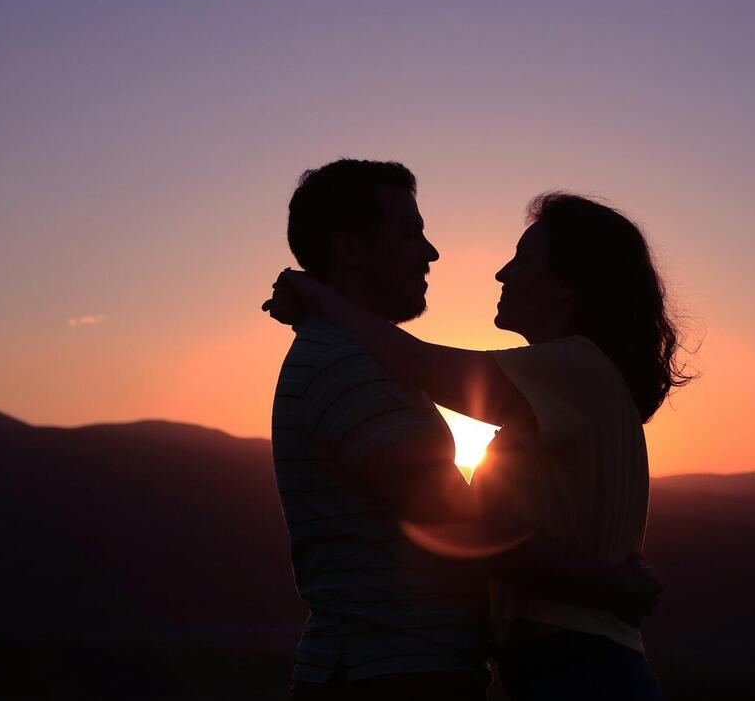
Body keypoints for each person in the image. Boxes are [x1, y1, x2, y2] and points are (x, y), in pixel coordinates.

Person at [267, 189, 690, 700]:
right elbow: (466, 519)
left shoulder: (577, 369)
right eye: (410, 233)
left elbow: (424, 366)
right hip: (561, 667)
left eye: (523, 258)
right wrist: (602, 580)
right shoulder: (569, 383)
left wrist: (320, 297)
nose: (502, 273)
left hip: (580, 669)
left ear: (565, 285)